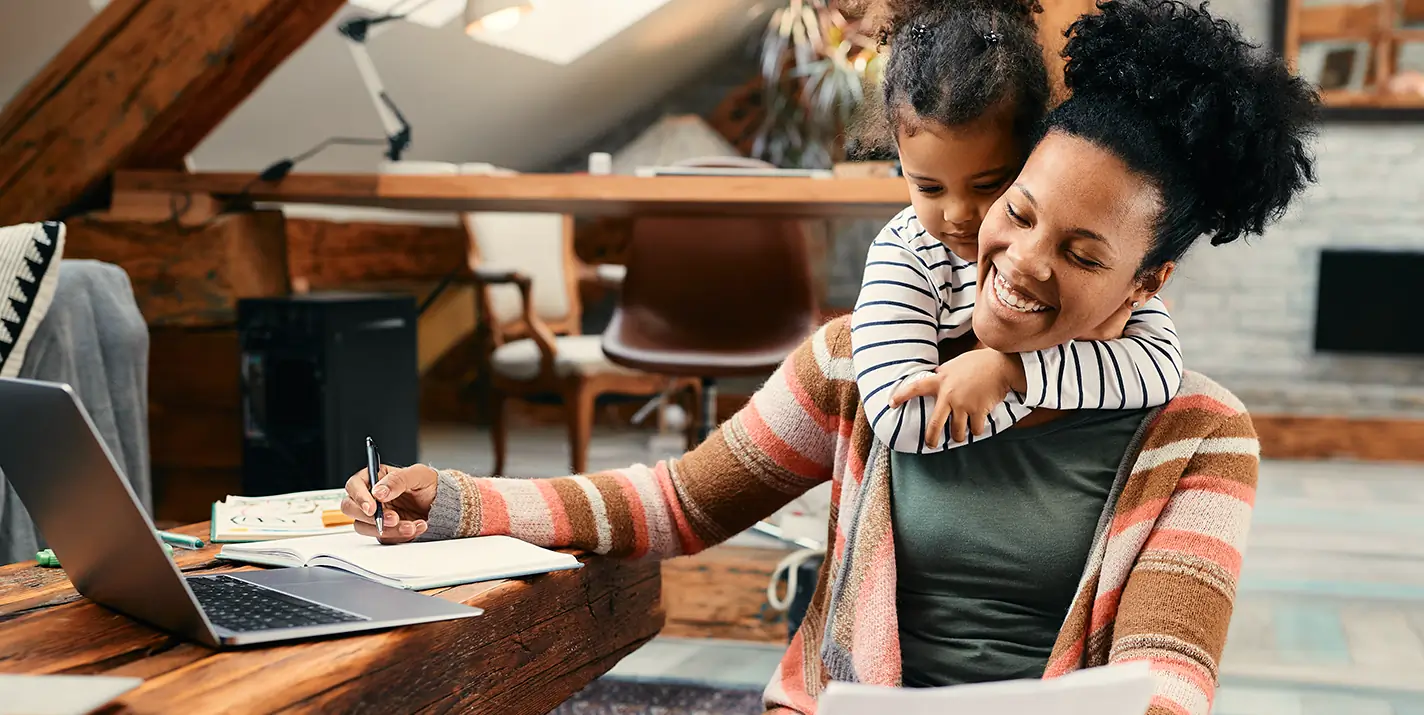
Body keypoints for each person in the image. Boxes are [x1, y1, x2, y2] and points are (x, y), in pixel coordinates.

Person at [341, 1, 1319, 712]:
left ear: (1145, 283)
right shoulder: (864, 365)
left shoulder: (1197, 433)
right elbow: (677, 501)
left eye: (1080, 252)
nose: (1016, 259)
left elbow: (1167, 677)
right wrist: (463, 503)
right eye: (1016, 211)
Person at [850, 0, 1183, 453]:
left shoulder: (1107, 282)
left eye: (989, 185)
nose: (958, 214)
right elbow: (904, 417)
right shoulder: (906, 256)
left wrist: (1012, 372)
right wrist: (1013, 374)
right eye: (928, 188)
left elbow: (1159, 370)